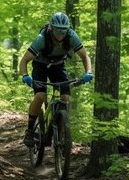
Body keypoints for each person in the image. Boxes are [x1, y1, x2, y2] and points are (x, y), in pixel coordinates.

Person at [18, 12, 93, 147]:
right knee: (40, 96)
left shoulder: (71, 36)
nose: (61, 33)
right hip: (40, 65)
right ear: (51, 28)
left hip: (58, 66)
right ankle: (29, 130)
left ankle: (62, 131)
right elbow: (24, 60)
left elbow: (85, 56)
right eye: (58, 30)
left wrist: (88, 72)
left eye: (64, 30)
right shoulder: (42, 39)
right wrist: (25, 75)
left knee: (65, 97)